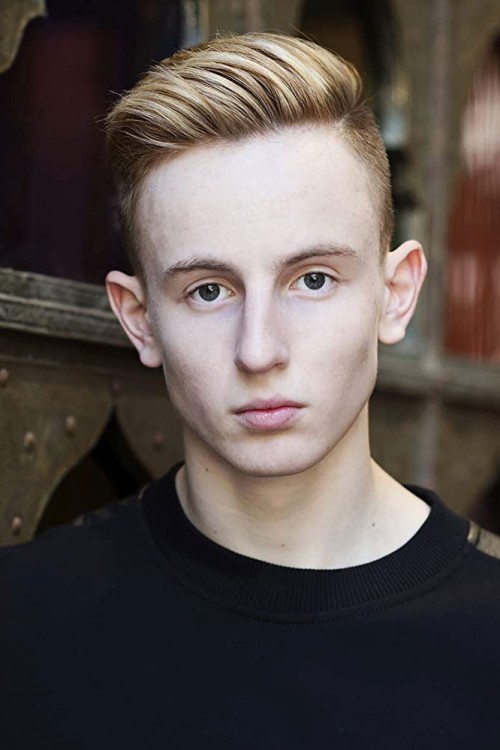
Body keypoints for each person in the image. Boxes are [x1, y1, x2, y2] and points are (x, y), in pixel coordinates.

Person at [2, 32, 500, 749]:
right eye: (208, 290)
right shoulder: (24, 624)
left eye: (313, 280)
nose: (259, 350)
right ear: (140, 320)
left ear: (396, 295)